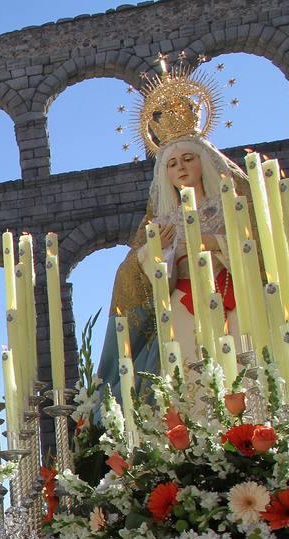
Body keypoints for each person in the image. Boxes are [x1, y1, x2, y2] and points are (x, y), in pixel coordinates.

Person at [99, 132, 259, 397]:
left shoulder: (231, 205)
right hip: (183, 303)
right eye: (172, 164)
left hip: (232, 296)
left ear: (204, 162)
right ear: (165, 174)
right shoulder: (162, 219)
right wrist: (153, 252)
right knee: (182, 371)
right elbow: (139, 272)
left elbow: (257, 243)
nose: (181, 167)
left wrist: (213, 242)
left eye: (187, 159)